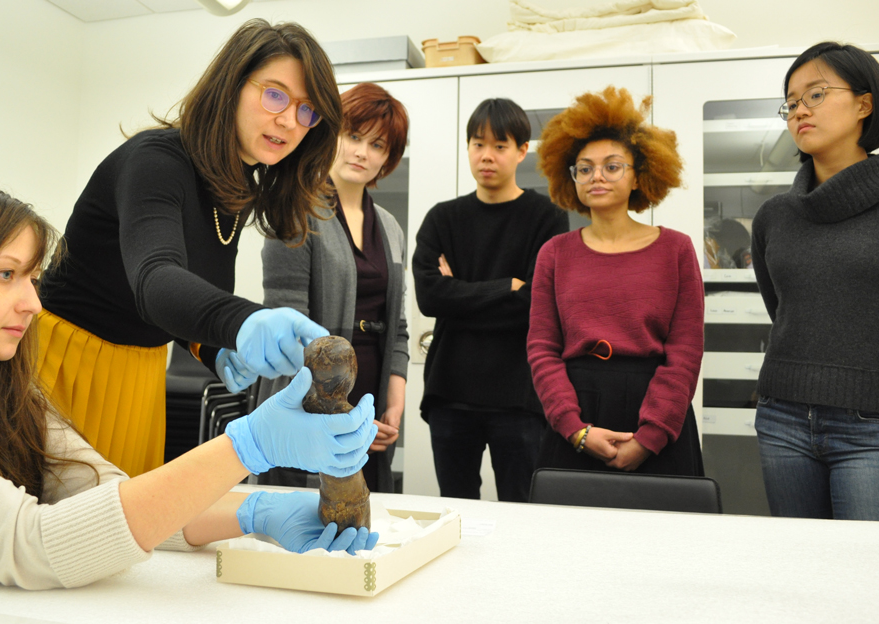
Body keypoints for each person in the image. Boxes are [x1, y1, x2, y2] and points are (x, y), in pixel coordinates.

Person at [0, 181, 378, 589]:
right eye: (5, 274)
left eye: (32, 278)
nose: (33, 303)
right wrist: (248, 445)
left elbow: (105, 498)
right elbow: (35, 544)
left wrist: (251, 514)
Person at [36, 19, 346, 477]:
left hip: (138, 373)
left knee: (128, 527)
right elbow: (156, 278)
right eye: (275, 94)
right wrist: (244, 320)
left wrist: (210, 350)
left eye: (308, 111)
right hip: (66, 364)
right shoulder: (155, 161)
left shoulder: (237, 184)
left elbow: (189, 287)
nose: (289, 120)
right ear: (231, 86)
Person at [751, 42, 879, 522]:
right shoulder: (774, 216)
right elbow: (785, 309)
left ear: (864, 103)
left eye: (815, 94)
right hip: (782, 417)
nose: (799, 111)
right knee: (801, 578)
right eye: (791, 102)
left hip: (877, 423)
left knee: (875, 578)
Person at [527, 86, 704, 477]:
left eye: (612, 166)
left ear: (639, 174)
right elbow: (542, 349)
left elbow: (686, 352)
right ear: (570, 177)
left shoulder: (676, 249)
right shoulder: (554, 253)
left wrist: (652, 435)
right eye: (584, 168)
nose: (597, 177)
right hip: (574, 412)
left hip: (656, 411)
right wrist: (574, 429)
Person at [412, 98, 571, 502]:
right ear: (467, 147)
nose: (486, 156)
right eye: (477, 144)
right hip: (450, 392)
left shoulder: (547, 217)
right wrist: (506, 288)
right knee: (456, 511)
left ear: (521, 151)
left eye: (500, 146)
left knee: (523, 511)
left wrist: (460, 294)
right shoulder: (442, 218)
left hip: (519, 394)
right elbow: (430, 297)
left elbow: (539, 305)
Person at [258, 83, 410, 493]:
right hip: (305, 390)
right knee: (305, 511)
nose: (363, 152)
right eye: (353, 136)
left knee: (362, 512)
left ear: (388, 159)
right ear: (331, 136)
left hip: (371, 391)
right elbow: (287, 331)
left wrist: (394, 402)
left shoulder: (392, 228)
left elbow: (397, 327)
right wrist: (337, 413)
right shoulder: (293, 211)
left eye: (377, 145)